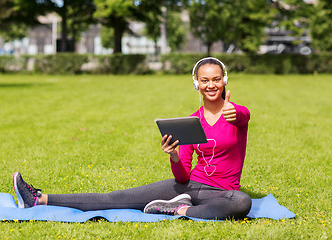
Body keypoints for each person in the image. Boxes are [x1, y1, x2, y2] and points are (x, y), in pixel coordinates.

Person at [13, 57, 252, 220]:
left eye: (216, 79)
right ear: (196, 84)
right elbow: (183, 176)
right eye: (205, 80)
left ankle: (181, 210)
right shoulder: (192, 121)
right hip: (189, 186)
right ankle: (38, 199)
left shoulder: (237, 114)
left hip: (222, 192)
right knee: (115, 198)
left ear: (224, 81)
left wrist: (235, 113)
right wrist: (174, 157)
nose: (211, 85)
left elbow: (243, 116)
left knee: (242, 202)